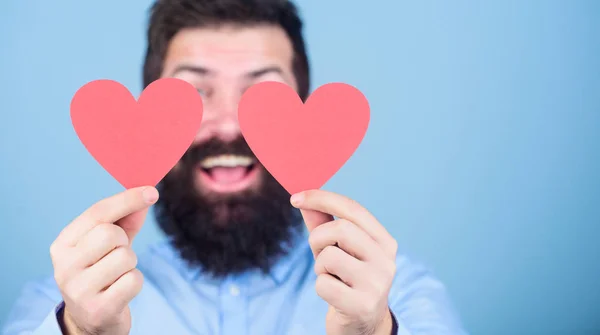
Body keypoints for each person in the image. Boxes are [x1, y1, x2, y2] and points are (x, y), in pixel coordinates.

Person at [2, 0, 466, 334]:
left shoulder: (398, 294)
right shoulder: (62, 303)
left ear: (302, 107)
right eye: (193, 92)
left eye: (261, 92)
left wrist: (371, 333)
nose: (227, 123)